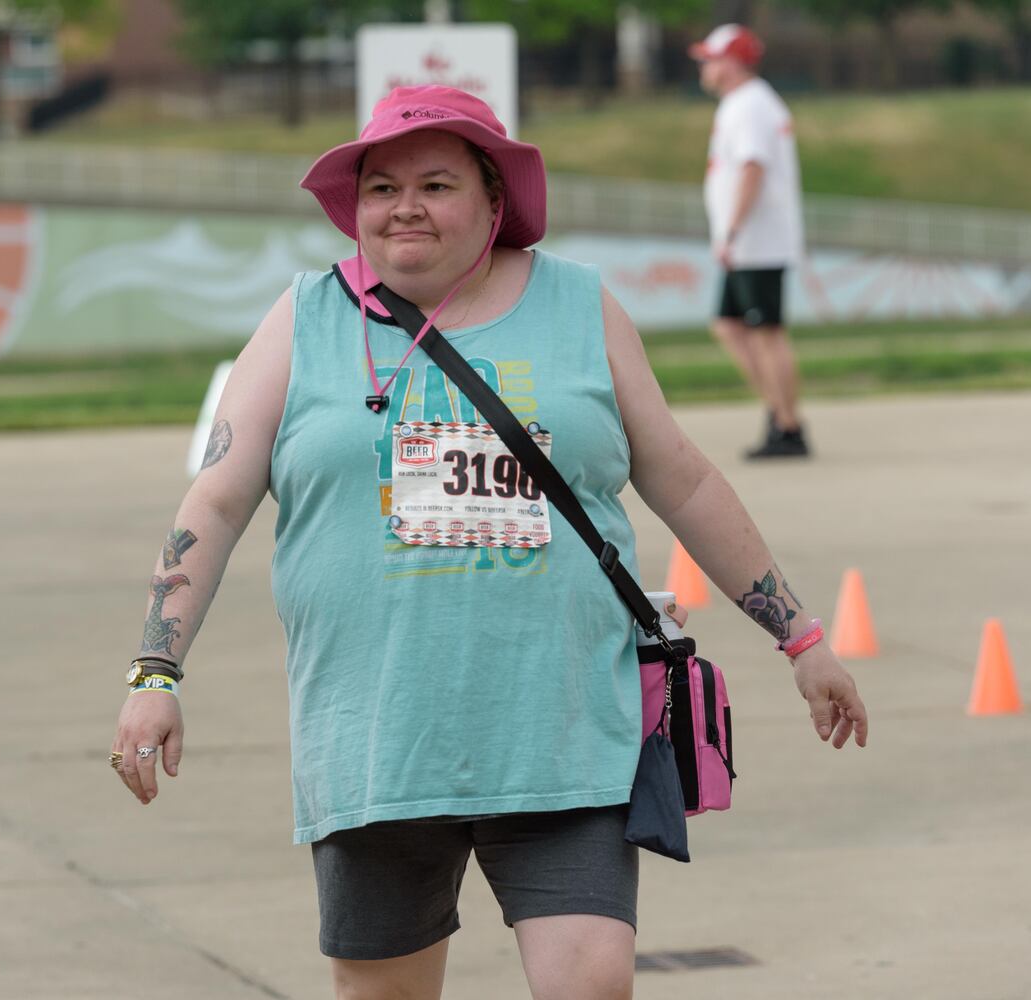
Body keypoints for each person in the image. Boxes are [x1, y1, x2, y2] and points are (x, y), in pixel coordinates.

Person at [109, 84, 868, 1000]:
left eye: (436, 184)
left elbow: (685, 478)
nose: (405, 207)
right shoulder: (303, 318)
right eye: (382, 187)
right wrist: (156, 673)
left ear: (495, 199)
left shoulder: (578, 306)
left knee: (592, 984)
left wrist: (802, 638)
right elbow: (218, 499)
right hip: (377, 739)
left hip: (562, 729)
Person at [692, 24, 811, 459]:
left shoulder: (750, 105)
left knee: (766, 333)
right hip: (748, 243)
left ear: (732, 61)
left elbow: (752, 167)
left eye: (710, 59)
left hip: (757, 241)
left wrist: (733, 229)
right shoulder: (742, 103)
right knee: (730, 325)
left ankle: (788, 426)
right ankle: (779, 413)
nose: (704, 67)